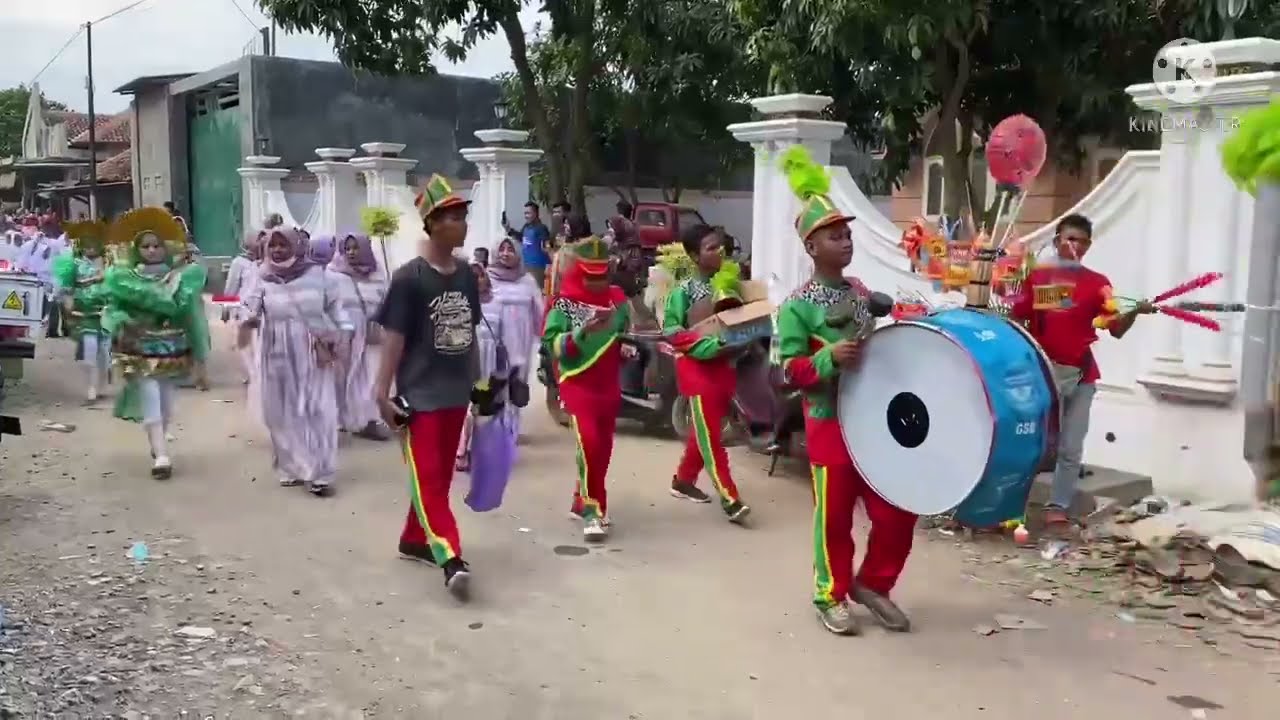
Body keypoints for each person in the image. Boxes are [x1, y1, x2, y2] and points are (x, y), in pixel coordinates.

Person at [774, 148, 916, 635]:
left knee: (898, 509)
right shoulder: (796, 308)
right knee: (833, 518)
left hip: (874, 419)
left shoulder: (858, 290)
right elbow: (786, 371)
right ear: (812, 248)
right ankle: (829, 593)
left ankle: (873, 583)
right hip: (828, 420)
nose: (847, 241)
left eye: (848, 234)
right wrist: (825, 359)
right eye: (836, 236)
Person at [1009, 213, 1154, 530]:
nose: (1074, 245)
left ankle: (1057, 507)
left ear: (1088, 245)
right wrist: (1024, 358)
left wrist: (1134, 312)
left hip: (1082, 375)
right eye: (1069, 238)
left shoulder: (1098, 283)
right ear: (1057, 239)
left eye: (1081, 241)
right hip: (1042, 375)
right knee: (1029, 444)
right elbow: (1016, 317)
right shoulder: (1038, 278)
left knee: (1071, 448)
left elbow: (1115, 329)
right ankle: (1010, 505)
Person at [375, 175, 482, 599]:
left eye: (463, 216)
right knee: (429, 478)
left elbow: (470, 331)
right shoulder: (409, 279)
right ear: (432, 224)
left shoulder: (467, 277)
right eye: (453, 217)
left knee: (434, 477)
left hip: (456, 392)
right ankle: (449, 555)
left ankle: (413, 539)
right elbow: (394, 339)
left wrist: (480, 386)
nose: (461, 225)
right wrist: (380, 392)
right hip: (419, 395)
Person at [239, 227, 352, 496]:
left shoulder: (319, 274)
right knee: (278, 412)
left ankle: (321, 473)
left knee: (317, 410)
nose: (277, 250)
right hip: (275, 350)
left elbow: (337, 307)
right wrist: (248, 319)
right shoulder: (261, 276)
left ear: (297, 245)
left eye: (283, 245)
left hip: (312, 351)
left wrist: (343, 335)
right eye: (272, 246)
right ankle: (290, 465)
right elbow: (248, 306)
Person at [99, 208, 208, 479]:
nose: (151, 250)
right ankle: (161, 456)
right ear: (137, 250)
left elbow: (187, 312)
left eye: (156, 245)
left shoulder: (184, 277)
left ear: (166, 248)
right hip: (139, 348)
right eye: (145, 246)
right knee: (150, 398)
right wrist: (121, 320)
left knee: (167, 403)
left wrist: (199, 351)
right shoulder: (123, 278)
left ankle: (158, 442)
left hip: (173, 348)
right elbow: (113, 309)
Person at [660, 223, 752, 523]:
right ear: (693, 256)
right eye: (711, 248)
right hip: (697, 369)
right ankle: (730, 498)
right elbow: (672, 331)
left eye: (720, 246)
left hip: (725, 367)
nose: (720, 252)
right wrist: (709, 345)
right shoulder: (682, 292)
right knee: (711, 436)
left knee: (704, 430)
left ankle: (683, 481)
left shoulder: (731, 285)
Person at [541, 236, 630, 542]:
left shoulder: (617, 300)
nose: (597, 282)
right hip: (577, 383)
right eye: (590, 276)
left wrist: (625, 350)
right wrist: (581, 332)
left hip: (609, 385)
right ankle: (594, 510)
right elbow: (551, 344)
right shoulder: (563, 304)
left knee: (602, 449)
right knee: (589, 442)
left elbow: (620, 338)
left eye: (602, 275)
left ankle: (581, 498)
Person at [456, 236, 544, 469]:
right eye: (502, 249)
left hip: (519, 340)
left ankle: (509, 433)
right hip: (490, 345)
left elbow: (539, 312)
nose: (506, 253)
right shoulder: (486, 279)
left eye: (510, 249)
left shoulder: (527, 281)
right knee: (489, 389)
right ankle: (478, 442)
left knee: (515, 386)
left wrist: (542, 337)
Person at [330, 232, 391, 441]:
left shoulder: (378, 274)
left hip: (372, 333)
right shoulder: (333, 274)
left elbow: (387, 300)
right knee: (343, 377)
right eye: (347, 248)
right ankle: (342, 418)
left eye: (355, 248)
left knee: (369, 376)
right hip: (344, 333)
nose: (351, 252)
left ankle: (368, 420)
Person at [51, 221, 111, 403]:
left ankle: (101, 386)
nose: (90, 248)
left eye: (94, 243)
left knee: (105, 354)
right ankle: (91, 388)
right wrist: (68, 307)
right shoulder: (73, 264)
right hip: (86, 316)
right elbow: (67, 288)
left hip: (107, 314)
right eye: (87, 244)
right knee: (90, 353)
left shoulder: (110, 261)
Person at [223, 230, 265, 384]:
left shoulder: (269, 262)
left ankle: (257, 373)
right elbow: (231, 286)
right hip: (242, 309)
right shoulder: (239, 262)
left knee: (258, 343)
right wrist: (226, 307)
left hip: (262, 310)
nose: (260, 243)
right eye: (258, 240)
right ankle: (251, 374)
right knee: (244, 345)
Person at [517, 201, 551, 289]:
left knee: (537, 292)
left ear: (535, 213)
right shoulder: (526, 227)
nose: (526, 216)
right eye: (525, 213)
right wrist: (508, 229)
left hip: (538, 268)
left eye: (528, 213)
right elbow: (520, 238)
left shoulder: (541, 228)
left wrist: (549, 264)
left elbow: (547, 246)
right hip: (526, 265)